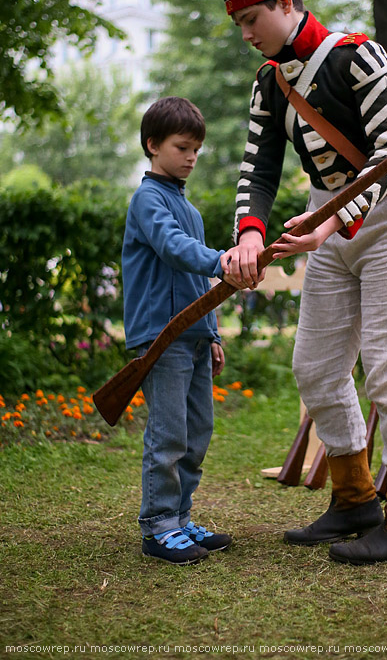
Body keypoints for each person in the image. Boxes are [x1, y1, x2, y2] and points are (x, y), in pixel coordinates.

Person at [208, 0, 387, 565]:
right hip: (326, 223)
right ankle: (355, 499)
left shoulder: (360, 56)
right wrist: (251, 234)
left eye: (252, 17)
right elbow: (257, 166)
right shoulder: (270, 81)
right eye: (238, 23)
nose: (246, 33)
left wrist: (333, 222)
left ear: (287, 2)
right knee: (315, 367)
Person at [122, 96, 246, 565]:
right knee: (169, 433)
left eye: (197, 148)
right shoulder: (148, 200)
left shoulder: (184, 203)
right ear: (153, 146)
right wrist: (221, 259)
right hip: (161, 337)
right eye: (182, 147)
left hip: (192, 337)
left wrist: (212, 334)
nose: (192, 156)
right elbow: (176, 250)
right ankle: (157, 526)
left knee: (197, 432)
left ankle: (180, 517)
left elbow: (195, 284)